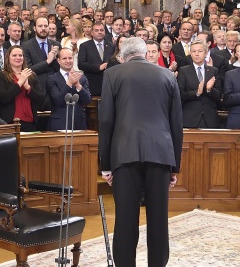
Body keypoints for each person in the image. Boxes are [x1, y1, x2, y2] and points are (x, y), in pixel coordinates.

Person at [98, 37, 183, 267]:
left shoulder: (112, 75)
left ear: (122, 57)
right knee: (158, 220)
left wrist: (105, 165)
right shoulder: (167, 76)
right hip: (161, 154)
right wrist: (175, 166)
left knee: (125, 220)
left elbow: (105, 122)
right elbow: (176, 124)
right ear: (146, 54)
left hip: (124, 155)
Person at [0, 46, 45, 131]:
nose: (18, 58)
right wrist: (20, 82)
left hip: (30, 122)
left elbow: (41, 99)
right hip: (10, 122)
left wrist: (28, 88)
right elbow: (4, 98)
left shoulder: (32, 75)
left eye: (20, 55)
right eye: (14, 55)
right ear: (8, 58)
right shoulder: (1, 76)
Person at [177, 40, 221, 128]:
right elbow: (180, 95)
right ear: (190, 53)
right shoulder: (183, 71)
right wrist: (197, 93)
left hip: (210, 118)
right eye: (194, 51)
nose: (197, 54)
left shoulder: (213, 71)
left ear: (205, 53)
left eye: (200, 51)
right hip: (190, 118)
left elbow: (219, 95)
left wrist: (209, 90)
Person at [46, 48, 91, 131]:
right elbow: (58, 100)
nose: (68, 61)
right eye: (64, 58)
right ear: (58, 61)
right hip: (59, 124)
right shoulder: (52, 79)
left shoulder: (82, 78)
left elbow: (87, 100)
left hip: (79, 124)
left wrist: (78, 85)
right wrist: (69, 83)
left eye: (70, 58)